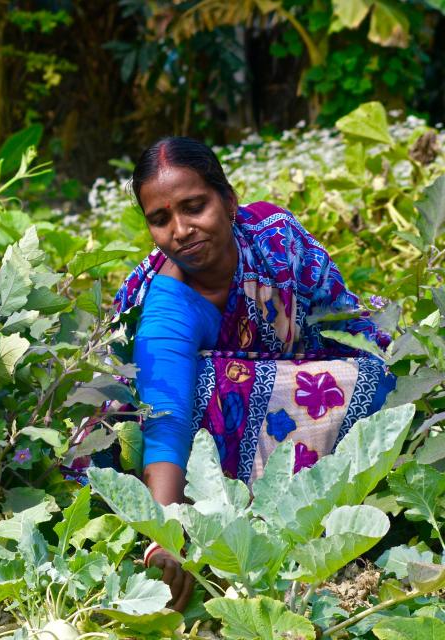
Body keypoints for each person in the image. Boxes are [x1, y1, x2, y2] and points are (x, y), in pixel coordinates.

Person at [114, 137, 395, 609]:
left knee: (373, 379)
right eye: (160, 220)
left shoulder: (276, 240)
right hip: (173, 442)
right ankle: (242, 516)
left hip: (294, 387)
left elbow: (345, 323)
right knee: (212, 385)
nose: (181, 230)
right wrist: (164, 535)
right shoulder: (164, 304)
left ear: (227, 200)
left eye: (194, 207)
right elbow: (164, 418)